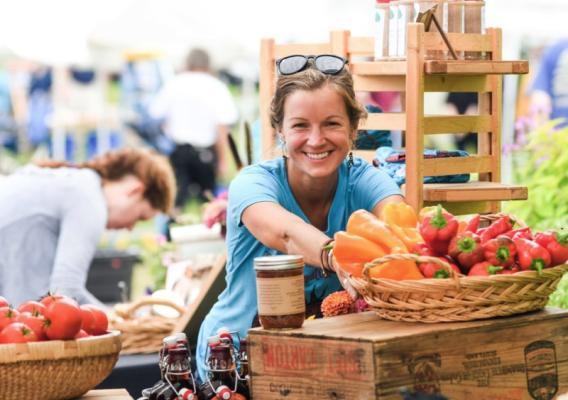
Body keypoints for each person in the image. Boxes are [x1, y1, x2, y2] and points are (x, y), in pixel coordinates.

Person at [195, 54, 404, 380]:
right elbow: (287, 233)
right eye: (300, 125)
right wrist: (338, 257)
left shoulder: (365, 180)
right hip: (234, 361)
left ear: (353, 127)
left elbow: (399, 222)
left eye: (332, 123)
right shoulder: (253, 183)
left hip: (321, 362)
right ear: (280, 129)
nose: (316, 139)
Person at [0, 148, 176, 307]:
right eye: (139, 217)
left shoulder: (72, 180)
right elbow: (65, 293)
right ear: (135, 191)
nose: (131, 228)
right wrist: (122, 321)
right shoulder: (88, 199)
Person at [150, 48, 239, 210]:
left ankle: (168, 234)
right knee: (210, 204)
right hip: (205, 153)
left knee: (174, 202)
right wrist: (222, 161)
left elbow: (156, 115)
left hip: (178, 151)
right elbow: (222, 127)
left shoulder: (174, 83)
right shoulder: (216, 87)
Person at [529, 39, 568, 127]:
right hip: (559, 134)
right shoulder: (557, 49)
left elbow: (540, 95)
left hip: (557, 134)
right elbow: (540, 97)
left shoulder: (557, 48)